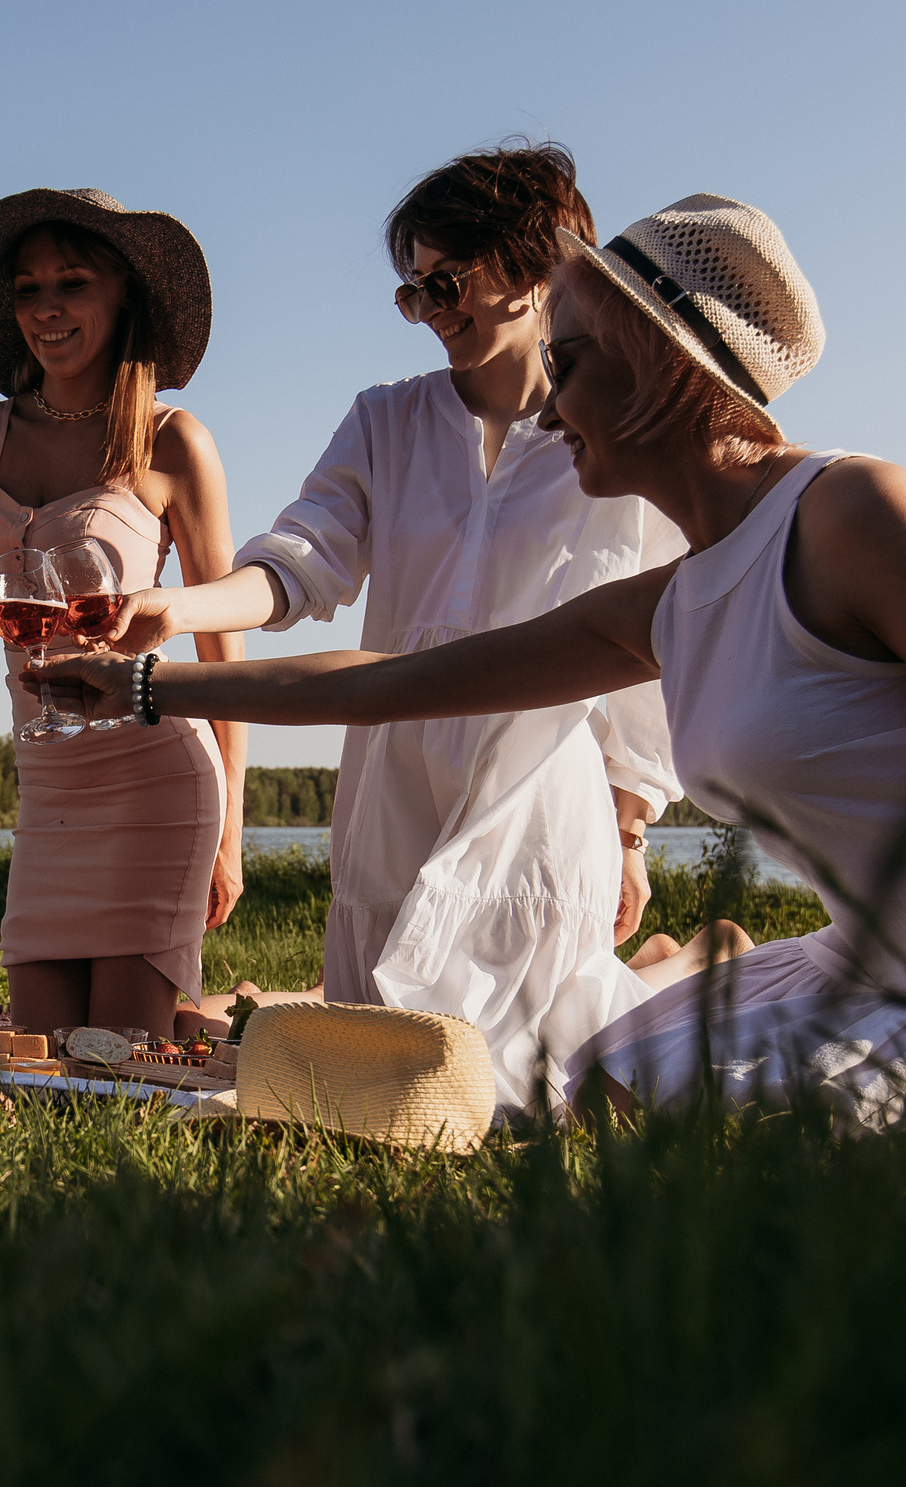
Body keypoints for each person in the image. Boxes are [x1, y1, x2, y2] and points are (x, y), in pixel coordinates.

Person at [40, 195, 906, 1123]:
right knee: (603, 1078)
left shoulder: (862, 520)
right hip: (875, 966)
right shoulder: (674, 599)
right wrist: (150, 682)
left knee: (638, 1114)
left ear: (671, 364)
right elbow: (391, 680)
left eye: (569, 364)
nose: (548, 406)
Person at [97, 144, 689, 1112]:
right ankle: (680, 974)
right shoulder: (385, 421)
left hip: (539, 790)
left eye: (447, 281)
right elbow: (299, 560)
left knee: (533, 1091)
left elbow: (644, 648)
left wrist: (630, 823)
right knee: (381, 1082)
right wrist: (182, 608)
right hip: (393, 775)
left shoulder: (614, 428)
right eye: (412, 292)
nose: (431, 310)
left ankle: (680, 973)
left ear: (540, 264)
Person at [0, 188, 246, 1038]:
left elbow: (221, 650)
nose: (46, 309)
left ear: (122, 291)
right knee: (38, 1064)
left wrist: (234, 828)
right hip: (47, 779)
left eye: (72, 283)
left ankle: (229, 1043)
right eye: (27, 289)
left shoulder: (173, 442)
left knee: (118, 1066)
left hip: (156, 777)